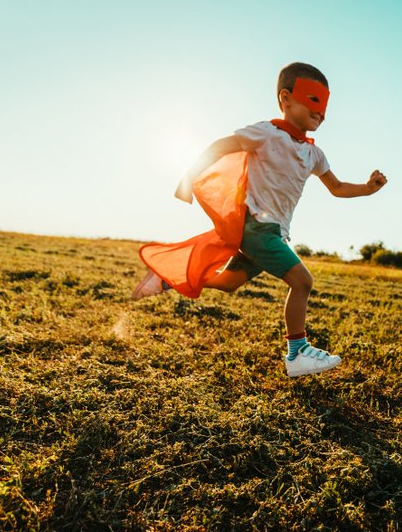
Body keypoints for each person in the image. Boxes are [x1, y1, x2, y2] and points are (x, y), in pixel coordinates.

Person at [131, 62, 387, 378]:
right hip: (256, 228)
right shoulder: (267, 133)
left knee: (229, 282)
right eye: (313, 101)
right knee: (302, 281)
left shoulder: (314, 154)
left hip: (273, 233)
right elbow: (219, 146)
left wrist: (367, 188)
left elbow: (336, 188)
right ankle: (298, 353)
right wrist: (188, 177)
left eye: (325, 107)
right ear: (286, 98)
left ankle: (169, 279)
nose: (321, 113)